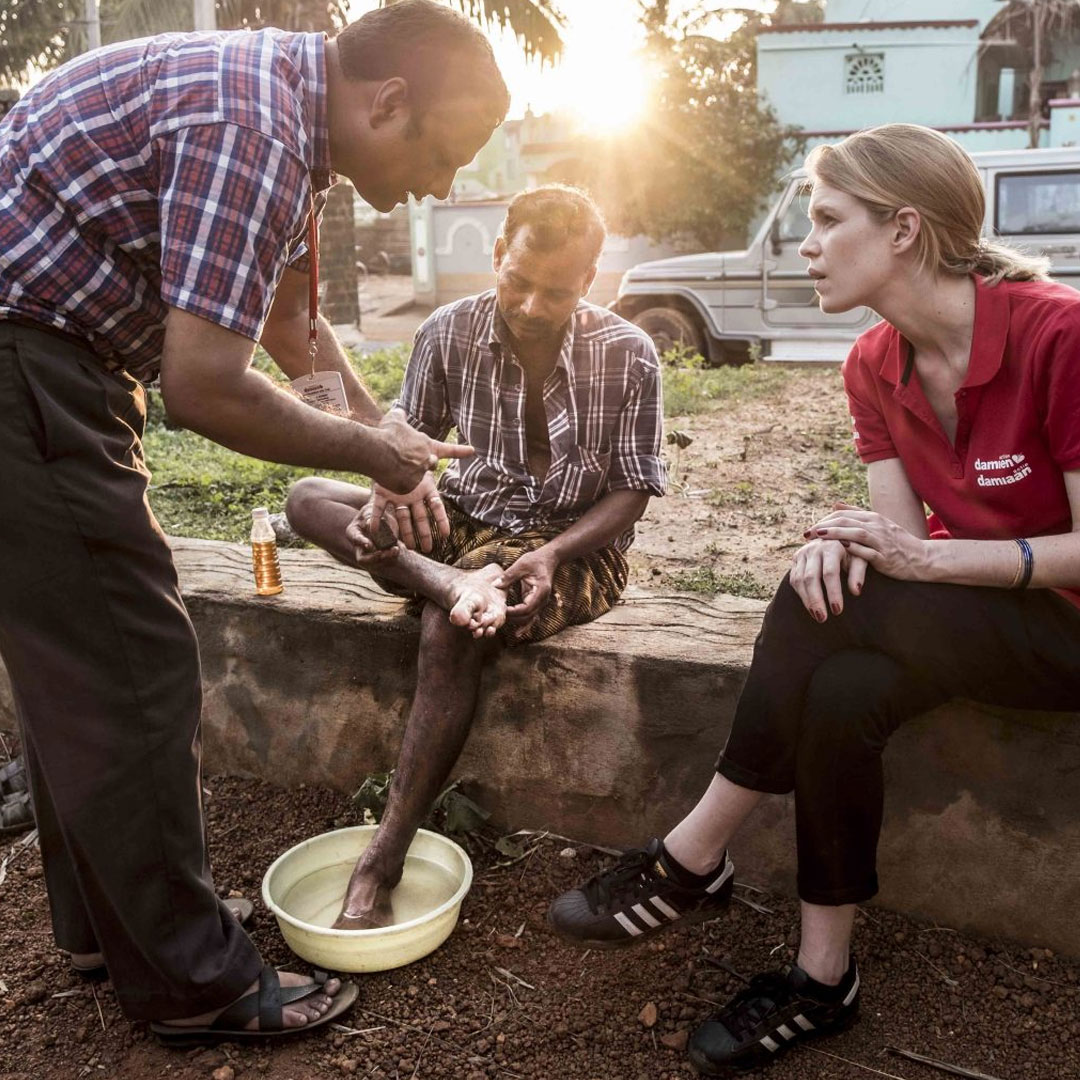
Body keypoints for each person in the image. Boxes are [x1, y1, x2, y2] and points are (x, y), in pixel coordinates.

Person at [0, 0, 508, 1041]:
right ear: (391, 101)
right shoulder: (256, 129)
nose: (445, 187)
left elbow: (290, 323)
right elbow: (206, 385)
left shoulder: (283, 109)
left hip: (40, 363)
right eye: (445, 153)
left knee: (77, 667)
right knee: (134, 671)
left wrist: (388, 436)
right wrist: (374, 455)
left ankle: (114, 927)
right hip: (24, 369)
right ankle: (199, 987)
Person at [547, 123, 1080, 1076]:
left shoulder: (1059, 335)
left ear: (905, 229)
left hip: (1069, 630)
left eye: (828, 219)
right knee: (837, 673)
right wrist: (841, 551)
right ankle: (823, 977)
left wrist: (916, 567)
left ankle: (693, 854)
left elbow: (945, 562)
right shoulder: (871, 363)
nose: (806, 242)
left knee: (822, 600)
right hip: (985, 624)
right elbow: (897, 544)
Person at [285, 185, 666, 929]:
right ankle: (447, 581)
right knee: (306, 500)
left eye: (555, 291)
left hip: (568, 546)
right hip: (463, 521)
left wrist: (553, 556)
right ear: (497, 255)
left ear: (588, 281)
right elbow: (401, 447)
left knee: (450, 629)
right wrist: (396, 496)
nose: (529, 304)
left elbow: (631, 492)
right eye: (518, 280)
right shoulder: (447, 330)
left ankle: (384, 853)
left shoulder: (630, 352)